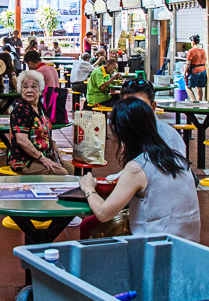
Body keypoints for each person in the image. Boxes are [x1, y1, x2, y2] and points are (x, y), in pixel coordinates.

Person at [79, 98, 200, 241]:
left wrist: (88, 188)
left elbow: (103, 213)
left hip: (156, 249)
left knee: (91, 226)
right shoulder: (176, 157)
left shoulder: (137, 168)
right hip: (189, 244)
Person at [8, 70, 73, 175]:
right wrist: (43, 159)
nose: (29, 90)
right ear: (20, 90)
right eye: (25, 87)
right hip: (24, 160)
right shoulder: (20, 110)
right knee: (62, 173)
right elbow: (22, 141)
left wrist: (54, 148)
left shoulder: (39, 107)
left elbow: (45, 131)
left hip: (42, 155)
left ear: (40, 90)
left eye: (34, 87)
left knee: (69, 168)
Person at [119, 79, 185, 156]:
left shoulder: (167, 137)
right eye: (128, 104)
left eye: (141, 105)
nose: (134, 109)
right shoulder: (127, 127)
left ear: (153, 106)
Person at [185, 34, 207, 101]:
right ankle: (200, 102)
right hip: (203, 70)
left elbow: (188, 63)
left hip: (195, 70)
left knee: (187, 87)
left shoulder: (192, 51)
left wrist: (184, 72)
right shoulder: (202, 50)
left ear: (193, 42)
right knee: (199, 88)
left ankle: (194, 101)